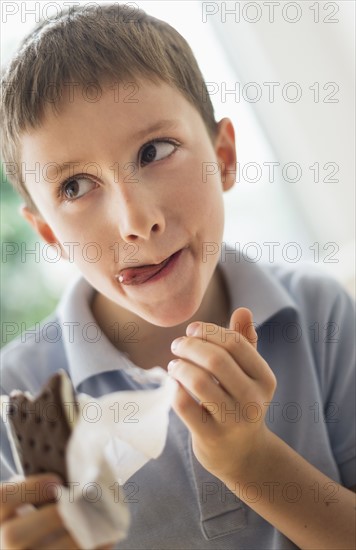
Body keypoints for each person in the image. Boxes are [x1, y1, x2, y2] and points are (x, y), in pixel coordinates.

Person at [0, 4, 355, 549]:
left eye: (154, 151)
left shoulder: (319, 315)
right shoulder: (12, 399)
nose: (137, 221)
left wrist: (252, 462)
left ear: (225, 156)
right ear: (49, 234)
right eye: (75, 187)